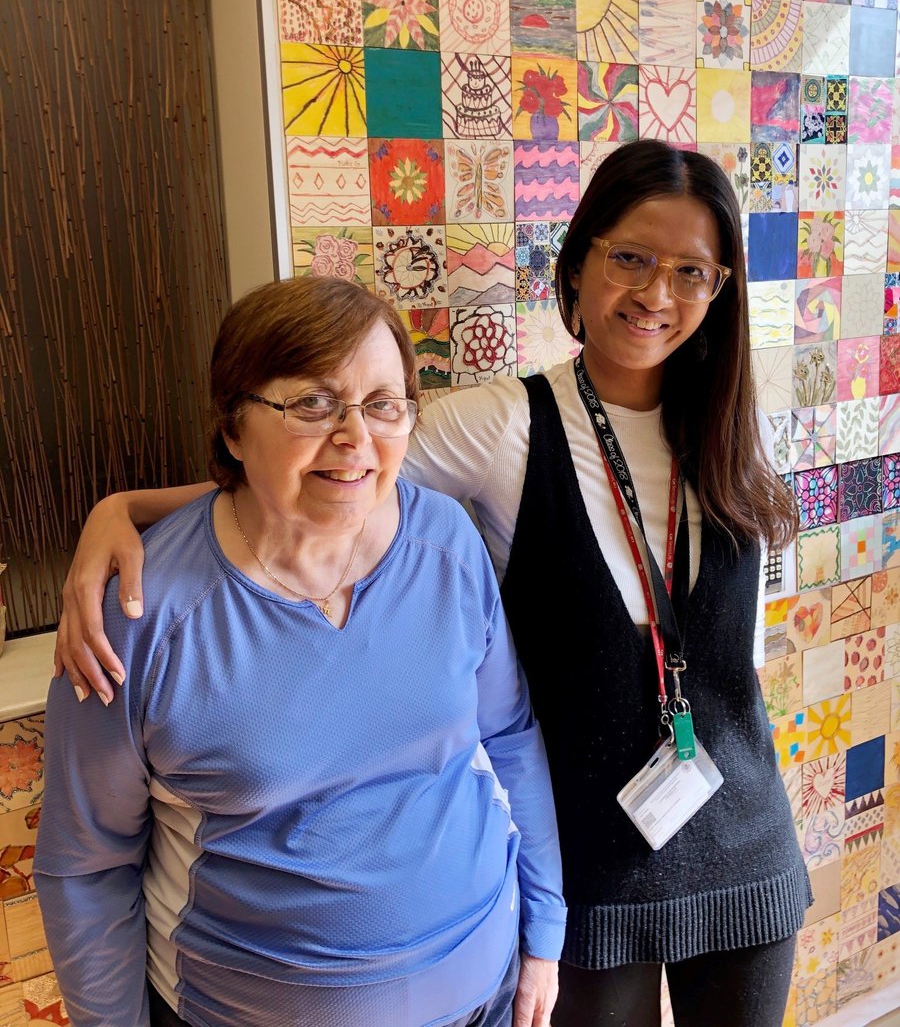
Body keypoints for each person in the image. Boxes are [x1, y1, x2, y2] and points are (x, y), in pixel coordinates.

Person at [54, 140, 810, 1027]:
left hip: (743, 845)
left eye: (693, 272)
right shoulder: (501, 426)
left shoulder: (736, 429)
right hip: (596, 861)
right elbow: (339, 474)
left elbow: (738, 653)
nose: (656, 294)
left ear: (721, 292)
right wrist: (129, 510)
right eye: (631, 259)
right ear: (577, 265)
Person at [34, 276, 565, 1027]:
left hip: (484, 992)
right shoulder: (135, 611)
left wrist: (543, 934)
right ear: (232, 428)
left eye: (384, 404)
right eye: (312, 404)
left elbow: (507, 738)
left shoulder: (446, 542)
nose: (355, 438)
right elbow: (87, 867)